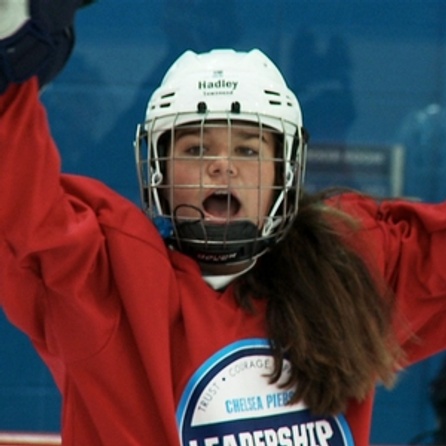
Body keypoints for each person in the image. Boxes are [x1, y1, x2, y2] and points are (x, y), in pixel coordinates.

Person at [1, 3, 446, 446]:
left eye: (249, 150)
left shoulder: (348, 268)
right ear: (160, 172)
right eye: (195, 149)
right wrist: (9, 70)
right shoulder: (107, 287)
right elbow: (25, 210)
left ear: (284, 171)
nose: (221, 166)